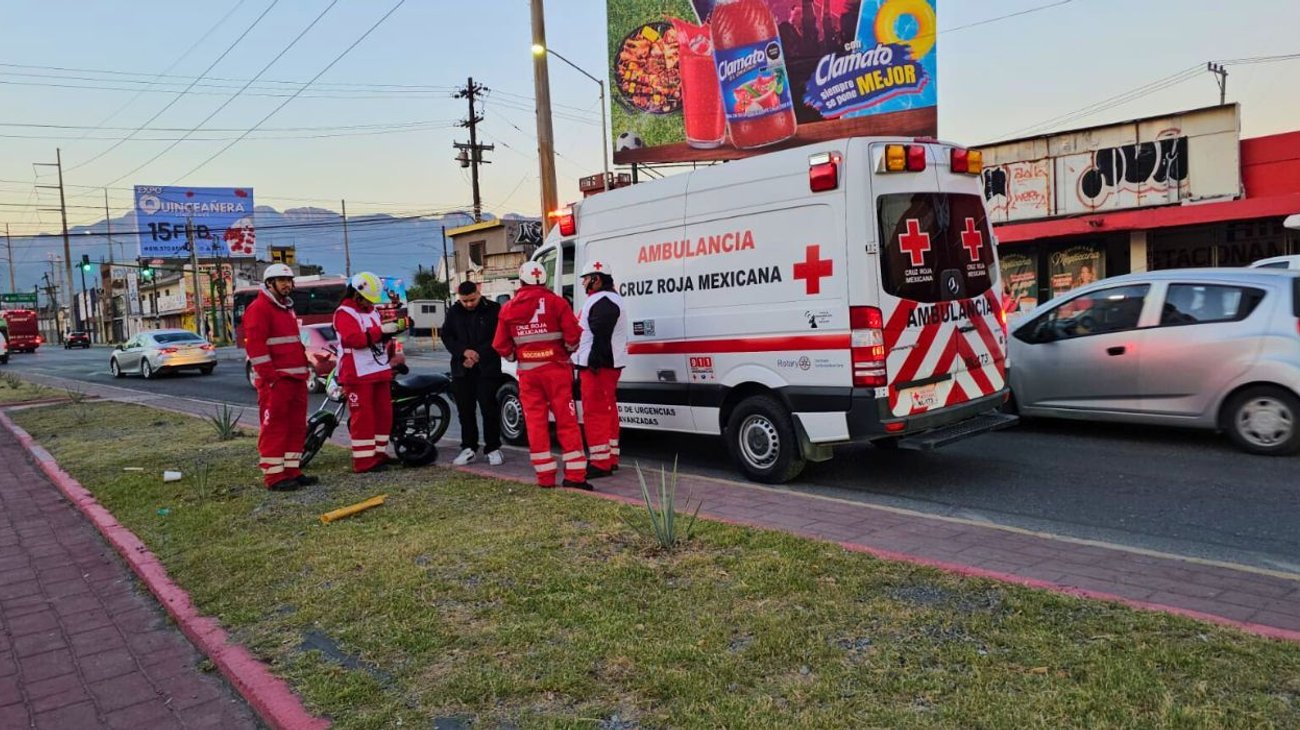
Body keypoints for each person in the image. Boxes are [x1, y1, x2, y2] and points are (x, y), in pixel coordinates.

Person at [493, 261, 591, 490]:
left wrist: (514, 356)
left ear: (521, 281)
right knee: (566, 422)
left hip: (528, 375)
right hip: (556, 371)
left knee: (536, 424)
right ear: (543, 280)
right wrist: (566, 349)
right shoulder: (557, 303)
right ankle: (575, 477)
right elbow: (574, 336)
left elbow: (500, 345)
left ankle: (545, 478)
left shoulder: (507, 308)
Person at [242, 264, 317, 491]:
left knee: (296, 427)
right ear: (269, 284)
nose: (287, 284)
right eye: (281, 280)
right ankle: (274, 477)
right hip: (277, 382)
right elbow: (256, 349)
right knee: (275, 427)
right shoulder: (259, 309)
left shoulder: (285, 308)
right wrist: (271, 379)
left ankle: (292, 471)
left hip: (295, 379)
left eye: (289, 280)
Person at [333, 271, 400, 473]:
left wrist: (393, 335)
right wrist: (382, 332)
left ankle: (378, 454)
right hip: (357, 372)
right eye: (365, 299)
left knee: (383, 414)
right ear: (355, 293)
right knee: (363, 417)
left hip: (378, 368)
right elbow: (355, 340)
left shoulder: (372, 311)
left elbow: (379, 337)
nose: (368, 303)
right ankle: (363, 461)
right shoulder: (344, 313)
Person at [572, 260, 627, 478]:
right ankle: (610, 457)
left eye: (586, 278)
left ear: (596, 279)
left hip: (598, 366)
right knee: (608, 411)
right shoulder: (607, 299)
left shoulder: (603, 301)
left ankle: (600, 463)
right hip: (605, 365)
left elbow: (601, 336)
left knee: (595, 413)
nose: (584, 283)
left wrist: (593, 363)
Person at [442, 281, 504, 466]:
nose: (469, 304)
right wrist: (463, 352)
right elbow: (447, 336)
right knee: (465, 410)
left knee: (489, 409)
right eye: (464, 301)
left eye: (472, 300)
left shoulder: (493, 309)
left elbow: (498, 336)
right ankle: (468, 447)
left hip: (487, 368)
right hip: (462, 369)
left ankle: (493, 448)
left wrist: (477, 355)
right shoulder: (453, 311)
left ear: (479, 293)